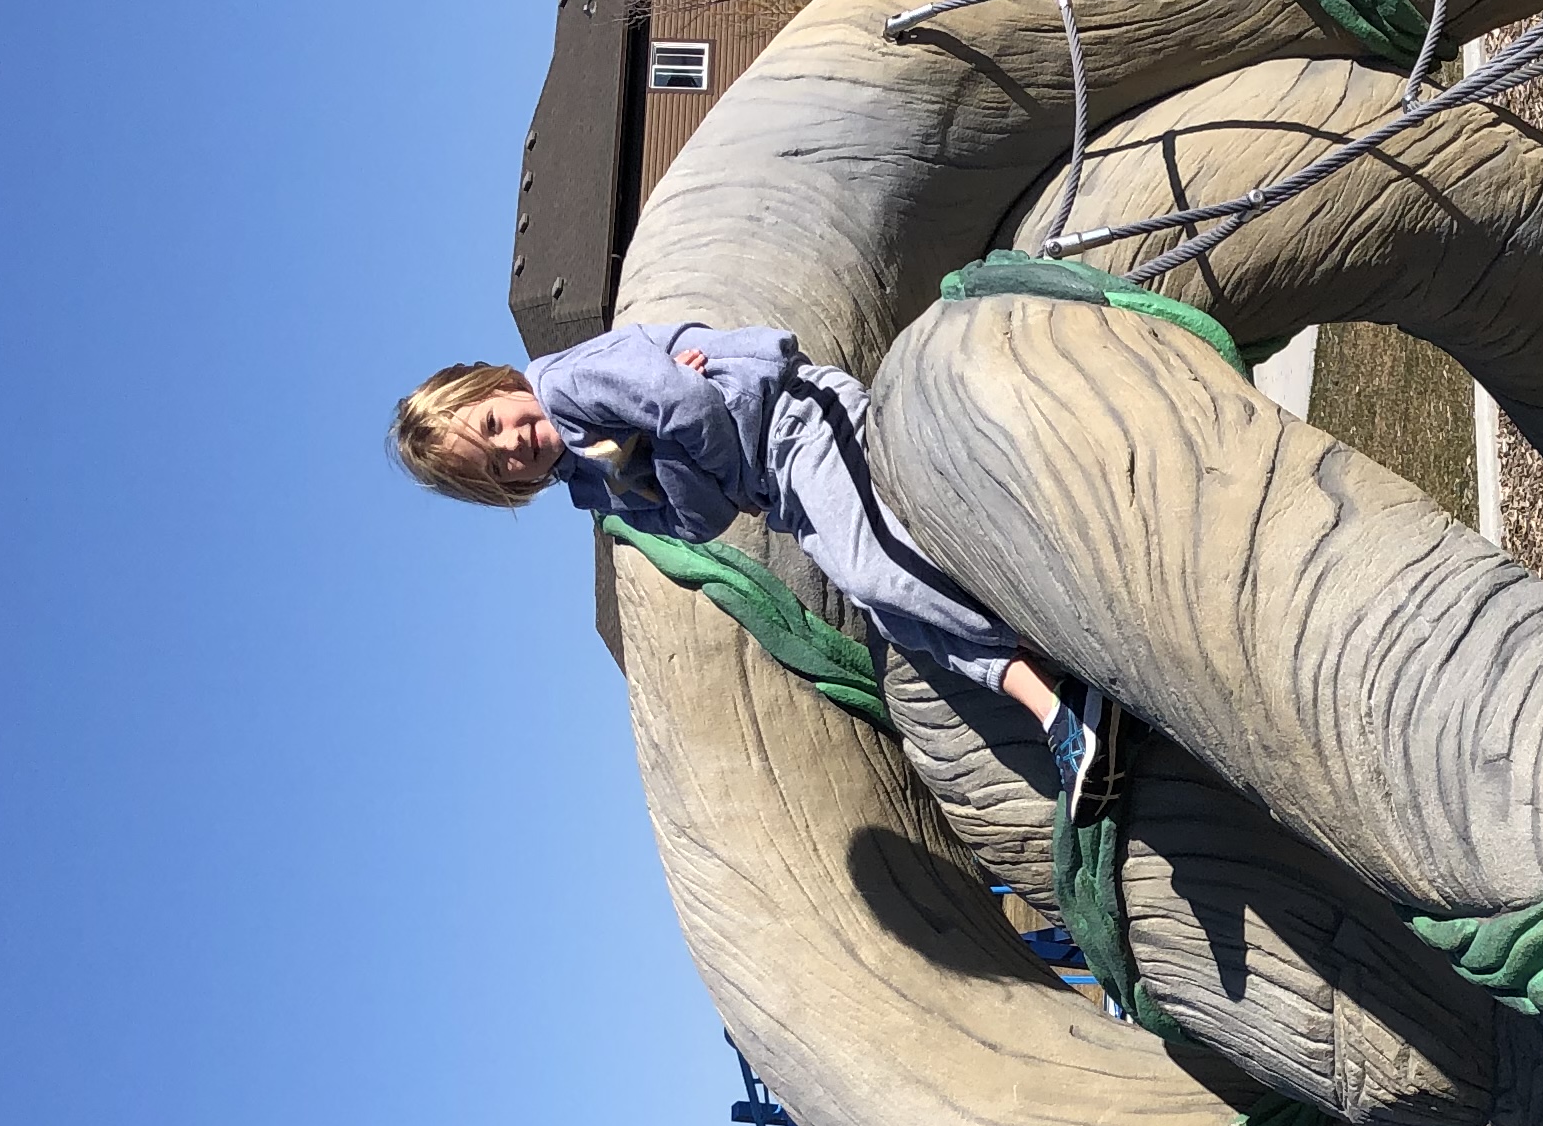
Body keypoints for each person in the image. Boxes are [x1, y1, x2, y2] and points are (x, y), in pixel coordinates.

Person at [391, 323, 1099, 793]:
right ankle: (1054, 706)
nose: (515, 447)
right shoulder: (587, 488)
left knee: (875, 567)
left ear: (495, 386)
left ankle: (1057, 638)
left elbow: (692, 415)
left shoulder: (570, 388)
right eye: (499, 468)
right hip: (779, 488)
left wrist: (675, 437)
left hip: (795, 425)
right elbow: (697, 519)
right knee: (888, 610)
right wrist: (672, 439)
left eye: (493, 426)